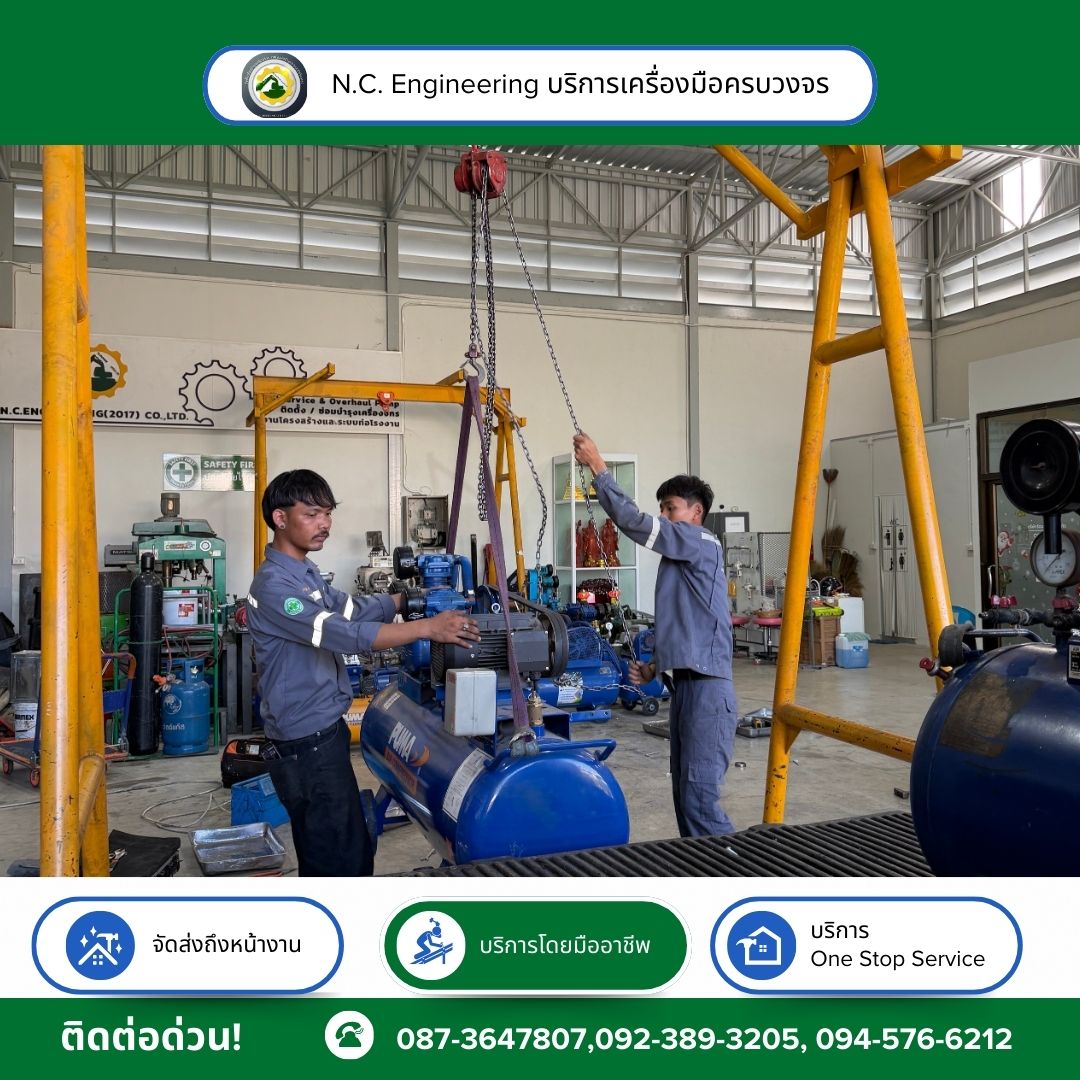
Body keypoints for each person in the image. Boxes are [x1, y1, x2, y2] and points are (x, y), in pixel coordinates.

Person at [246, 469, 481, 876]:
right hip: (305, 740)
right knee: (337, 857)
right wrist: (427, 628)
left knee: (345, 840)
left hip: (323, 730)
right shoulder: (275, 586)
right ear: (280, 518)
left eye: (328, 513)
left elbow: (351, 608)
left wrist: (407, 600)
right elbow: (345, 634)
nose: (325, 524)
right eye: (312, 514)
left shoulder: (304, 572)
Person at [572, 435, 737, 837]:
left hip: (708, 690)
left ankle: (735, 869)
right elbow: (687, 622)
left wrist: (598, 467)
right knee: (684, 794)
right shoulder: (683, 556)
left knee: (700, 799)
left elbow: (633, 521)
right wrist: (655, 667)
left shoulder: (699, 541)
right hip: (687, 687)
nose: (663, 515)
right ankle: (700, 867)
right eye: (661, 508)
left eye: (671, 508)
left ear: (696, 512)